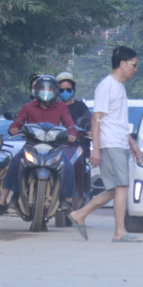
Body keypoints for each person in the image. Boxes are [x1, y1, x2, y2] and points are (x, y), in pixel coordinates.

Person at [70, 47, 143, 242]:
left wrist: (132, 143)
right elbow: (96, 119)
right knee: (122, 187)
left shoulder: (119, 87)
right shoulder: (107, 86)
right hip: (111, 144)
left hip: (119, 142)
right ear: (122, 64)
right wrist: (95, 149)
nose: (135, 69)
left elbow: (118, 121)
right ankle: (120, 232)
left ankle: (80, 214)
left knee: (114, 189)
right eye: (133, 65)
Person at [0, 74, 77, 215]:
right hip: (31, 145)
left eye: (50, 89)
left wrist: (72, 134)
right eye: (43, 89)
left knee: (68, 166)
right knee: (14, 164)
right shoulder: (28, 107)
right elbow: (18, 122)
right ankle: (2, 201)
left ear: (55, 92)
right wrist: (14, 128)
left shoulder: (61, 107)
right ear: (36, 91)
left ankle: (66, 199)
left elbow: (69, 123)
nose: (46, 92)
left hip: (53, 147)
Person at [56, 71, 92, 206]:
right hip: (57, 146)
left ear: (73, 90)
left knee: (80, 165)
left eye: (68, 89)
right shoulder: (54, 107)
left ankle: (81, 193)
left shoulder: (80, 106)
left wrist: (89, 131)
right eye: (61, 89)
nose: (65, 92)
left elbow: (89, 121)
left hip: (76, 146)